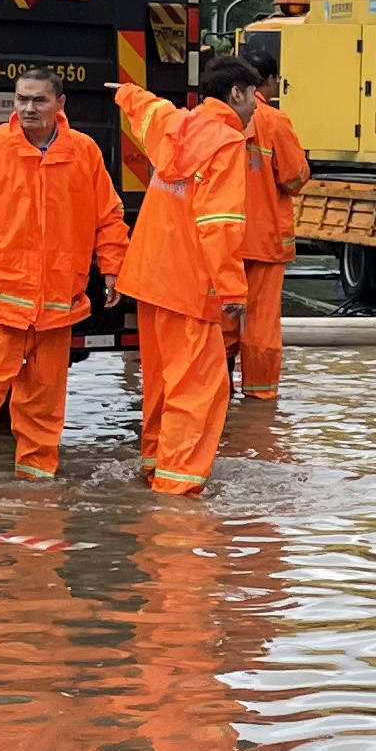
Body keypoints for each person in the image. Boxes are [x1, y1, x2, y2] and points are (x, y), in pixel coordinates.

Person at [0, 66, 125, 481]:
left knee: (44, 402)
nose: (28, 108)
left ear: (59, 104)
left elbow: (108, 216)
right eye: (22, 100)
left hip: (54, 305)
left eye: (38, 100)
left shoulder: (83, 152)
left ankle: (36, 489)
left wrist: (112, 270)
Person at [112, 56, 257, 494]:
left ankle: (156, 466)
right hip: (189, 284)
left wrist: (122, 91)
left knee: (159, 382)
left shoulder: (173, 123)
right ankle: (178, 490)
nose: (255, 107)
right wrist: (232, 289)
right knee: (200, 387)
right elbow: (220, 224)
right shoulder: (227, 143)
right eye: (254, 97)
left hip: (149, 279)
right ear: (236, 94)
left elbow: (144, 107)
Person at [231, 61, 311, 402]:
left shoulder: (207, 119)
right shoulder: (275, 121)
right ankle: (259, 404)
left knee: (221, 322)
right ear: (266, 81)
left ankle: (217, 396)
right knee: (260, 325)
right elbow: (294, 177)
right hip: (264, 242)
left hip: (222, 240)